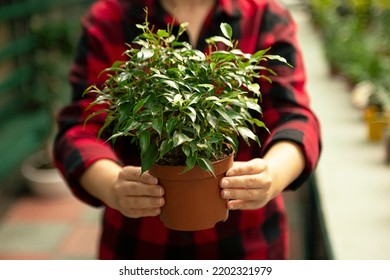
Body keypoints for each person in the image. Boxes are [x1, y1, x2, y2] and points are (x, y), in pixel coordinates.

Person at [53, 0, 321, 259]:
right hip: (139, 245)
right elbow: (80, 127)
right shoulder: (110, 18)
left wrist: (273, 174)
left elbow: (294, 117)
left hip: (245, 244)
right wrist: (111, 184)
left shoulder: (265, 16)